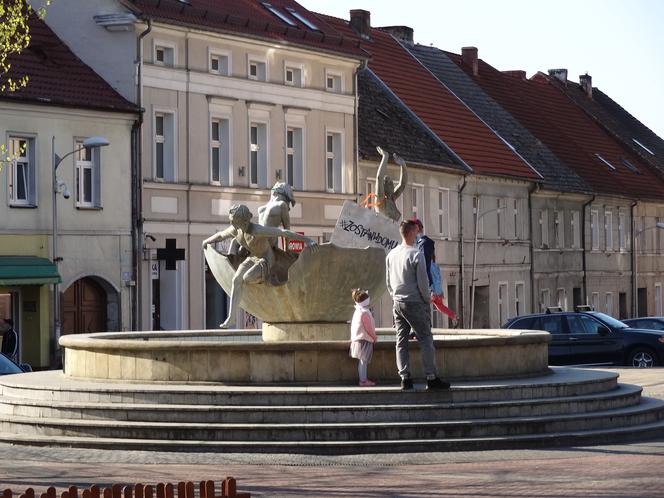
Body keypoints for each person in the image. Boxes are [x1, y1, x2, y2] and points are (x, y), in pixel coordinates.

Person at [202, 204, 317, 328]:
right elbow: (221, 235)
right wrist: (207, 241)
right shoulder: (236, 230)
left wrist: (307, 240)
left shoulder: (257, 230)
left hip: (266, 259)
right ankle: (231, 318)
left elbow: (283, 232)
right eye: (234, 223)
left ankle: (267, 279)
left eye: (237, 223)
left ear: (245, 221)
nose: (235, 226)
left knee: (247, 278)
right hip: (252, 258)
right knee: (236, 279)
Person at [385, 219, 450, 391]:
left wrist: (395, 296)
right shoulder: (416, 254)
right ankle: (431, 377)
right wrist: (427, 298)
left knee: (401, 341)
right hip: (415, 301)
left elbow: (388, 282)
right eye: (416, 231)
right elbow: (422, 282)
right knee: (426, 338)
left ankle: (405, 378)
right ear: (412, 232)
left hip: (398, 302)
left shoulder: (391, 254)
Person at [349, 288, 377, 387]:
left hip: (357, 339)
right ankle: (363, 380)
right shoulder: (365, 312)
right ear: (366, 301)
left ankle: (363, 379)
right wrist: (374, 337)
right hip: (364, 339)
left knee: (362, 362)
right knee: (363, 362)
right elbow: (368, 328)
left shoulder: (358, 311)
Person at [374, 146, 408, 222]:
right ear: (383, 187)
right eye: (388, 182)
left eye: (391, 182)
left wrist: (403, 165)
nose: (391, 184)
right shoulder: (380, 199)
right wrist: (385, 157)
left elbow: (402, 184)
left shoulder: (392, 198)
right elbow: (379, 178)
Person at [413, 218, 435, 287]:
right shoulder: (419, 243)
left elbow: (423, 264)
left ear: (416, 229)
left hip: (424, 282)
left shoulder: (424, 243)